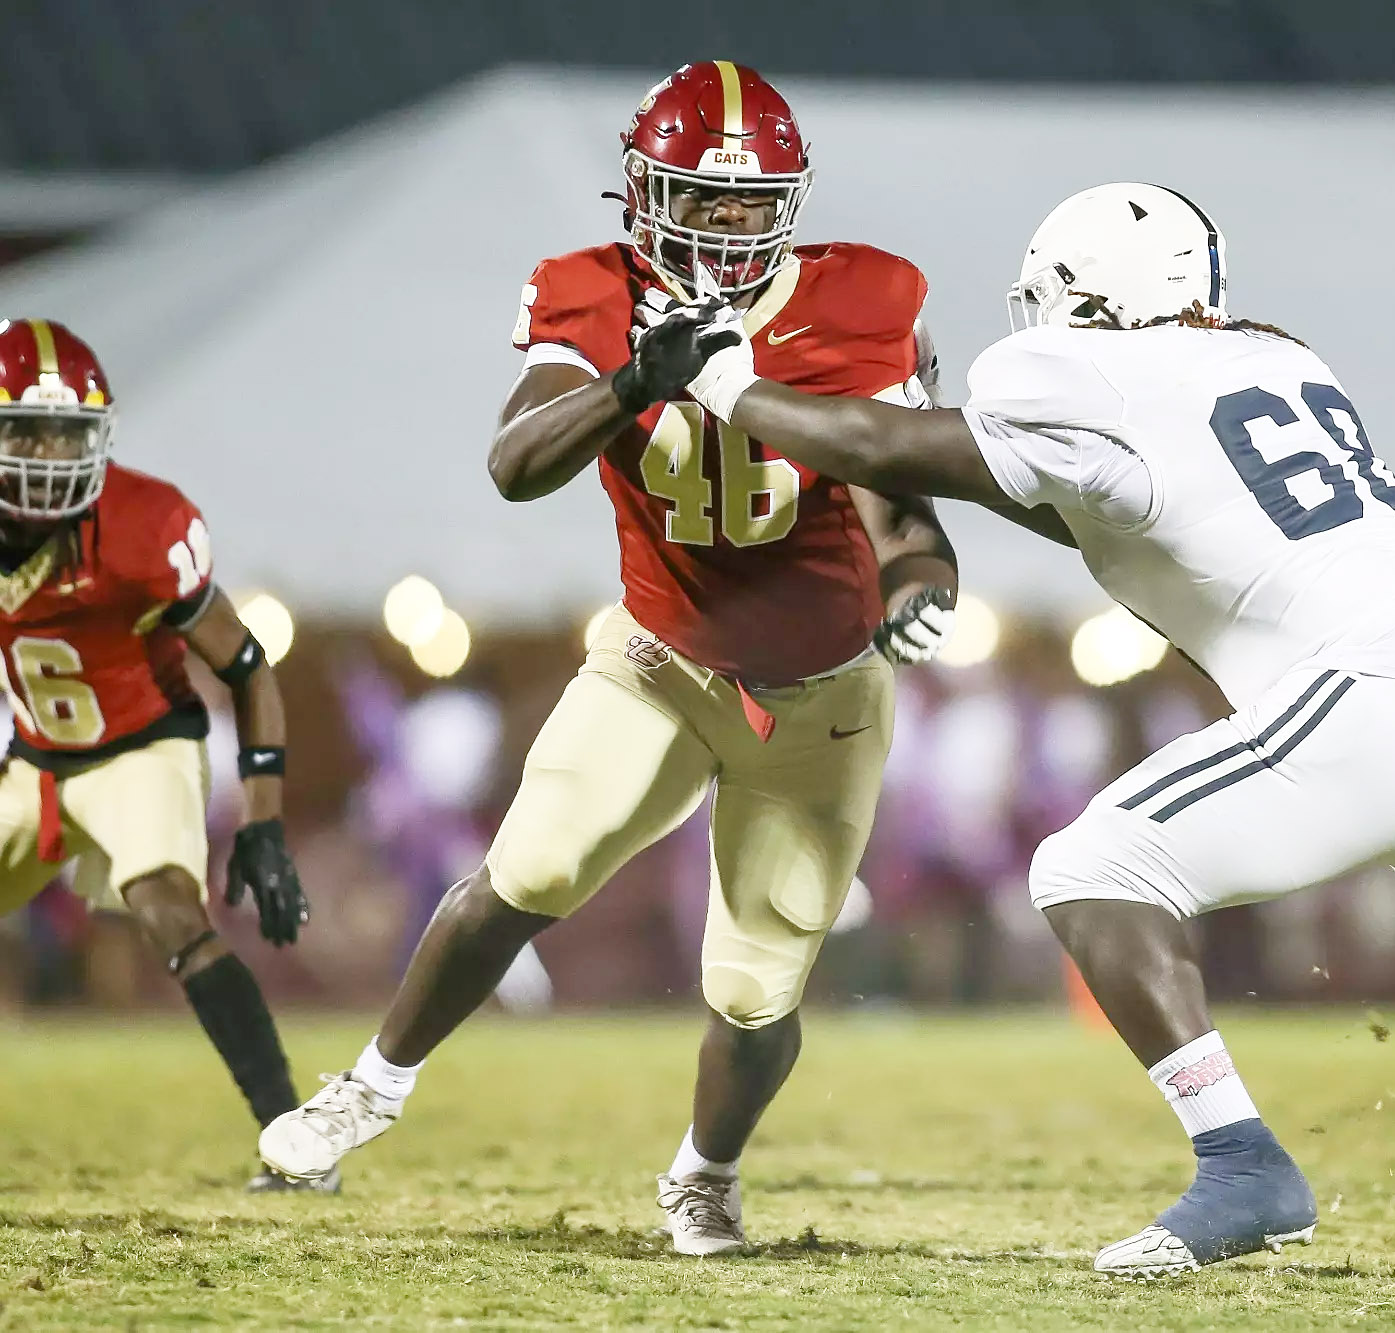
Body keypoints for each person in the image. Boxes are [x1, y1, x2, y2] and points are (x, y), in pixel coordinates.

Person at [621, 181, 1395, 1288]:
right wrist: (911, 441)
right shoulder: (1275, 358)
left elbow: (881, 443)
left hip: (1384, 681)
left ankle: (1241, 1161)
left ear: (1088, 297)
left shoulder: (1077, 371)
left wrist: (726, 383)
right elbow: (1106, 508)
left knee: (1088, 869)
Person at [258, 62, 957, 1253]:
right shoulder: (591, 291)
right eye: (698, 197)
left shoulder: (867, 297)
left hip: (824, 691)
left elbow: (902, 500)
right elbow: (515, 463)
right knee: (526, 868)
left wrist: (917, 582)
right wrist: (636, 380)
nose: (723, 225)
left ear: (789, 203)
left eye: (748, 202)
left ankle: (705, 1172)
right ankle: (371, 1085)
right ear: (639, 192)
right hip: (657, 660)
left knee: (754, 987)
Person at [0, 318, 314, 1190]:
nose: (50, 455)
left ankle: (295, 1142)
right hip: (33, 759)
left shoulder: (141, 526)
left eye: (67, 433)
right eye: (29, 431)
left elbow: (247, 667)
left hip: (140, 747)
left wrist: (264, 823)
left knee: (171, 909)